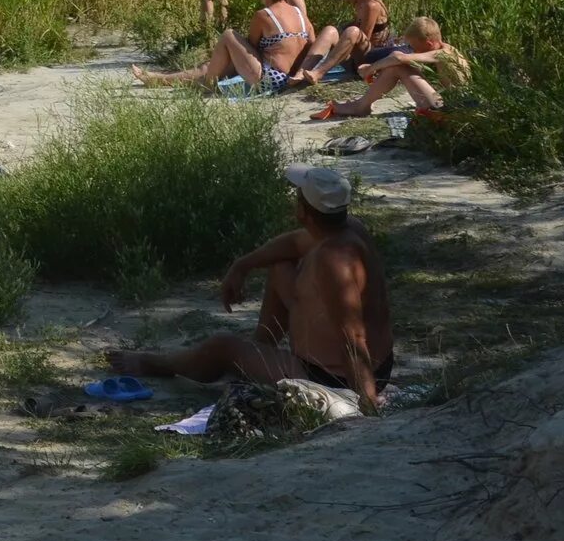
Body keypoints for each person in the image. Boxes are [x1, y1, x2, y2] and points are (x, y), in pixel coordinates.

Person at [107, 166, 392, 413]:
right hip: (353, 363)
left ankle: (158, 364)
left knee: (222, 346)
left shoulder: (333, 262)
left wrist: (366, 403)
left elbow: (352, 336)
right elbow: (292, 244)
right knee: (279, 265)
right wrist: (241, 266)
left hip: (333, 378)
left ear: (303, 211)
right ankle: (259, 352)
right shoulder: (346, 229)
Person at [134, 0, 314, 92]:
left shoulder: (265, 15)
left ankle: (207, 83)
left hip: (273, 79)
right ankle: (160, 78)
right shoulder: (299, 13)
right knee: (211, 66)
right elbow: (311, 43)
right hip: (294, 75)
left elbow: (252, 46)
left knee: (228, 36)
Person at [312, 18, 469, 122]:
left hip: (454, 111)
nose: (412, 50)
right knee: (398, 62)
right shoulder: (446, 49)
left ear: (429, 44)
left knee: (397, 65)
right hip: (450, 103)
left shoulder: (443, 53)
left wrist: (370, 69)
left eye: (414, 47)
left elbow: (399, 59)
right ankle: (362, 104)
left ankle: (361, 106)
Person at [297, 0, 394, 81]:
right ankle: (301, 73)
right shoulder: (359, 2)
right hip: (358, 56)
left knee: (352, 31)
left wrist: (342, 43)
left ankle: (319, 72)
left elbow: (364, 37)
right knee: (330, 31)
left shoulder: (371, 5)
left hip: (371, 58)